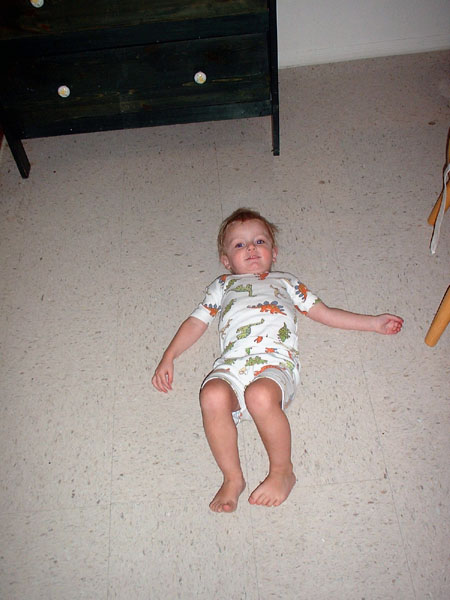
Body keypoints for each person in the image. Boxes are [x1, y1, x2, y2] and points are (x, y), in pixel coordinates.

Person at [152, 208, 403, 513]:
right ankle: (232, 478)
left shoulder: (286, 282)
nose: (252, 249)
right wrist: (170, 356)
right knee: (211, 394)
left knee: (258, 396)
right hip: (231, 366)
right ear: (226, 261)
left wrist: (373, 323)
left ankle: (282, 471)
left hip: (274, 364)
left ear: (274, 251)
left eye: (259, 241)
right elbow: (196, 322)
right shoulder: (222, 285)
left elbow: (324, 313)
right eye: (240, 245)